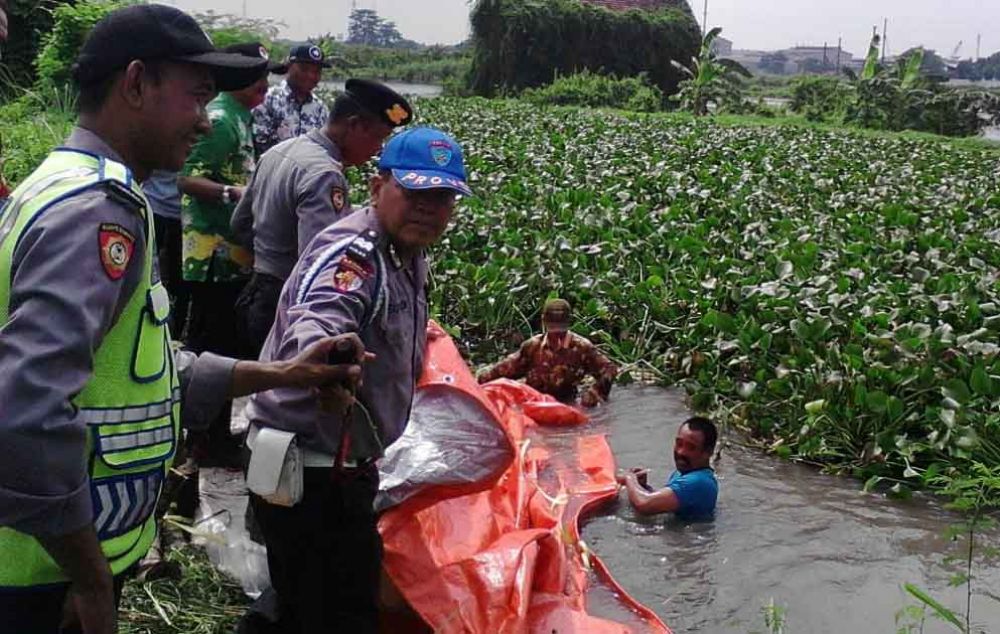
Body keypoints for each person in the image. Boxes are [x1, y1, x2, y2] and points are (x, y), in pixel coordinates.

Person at [0, 6, 363, 633]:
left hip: (49, 559)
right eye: (196, 96)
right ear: (135, 84)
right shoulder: (96, 212)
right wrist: (89, 582)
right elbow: (25, 412)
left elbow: (146, 371)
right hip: (42, 573)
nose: (204, 119)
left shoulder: (70, 184)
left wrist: (285, 372)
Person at [238, 126, 472, 633]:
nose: (429, 209)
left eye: (442, 198)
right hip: (311, 469)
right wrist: (330, 358)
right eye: (414, 193)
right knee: (339, 610)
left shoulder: (405, 255)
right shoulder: (355, 256)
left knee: (299, 600)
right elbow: (319, 320)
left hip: (336, 463)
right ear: (376, 185)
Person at [230, 78, 412, 359]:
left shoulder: (280, 151)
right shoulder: (325, 175)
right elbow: (320, 264)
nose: (378, 149)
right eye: (378, 138)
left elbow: (239, 224)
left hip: (255, 292)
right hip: (287, 303)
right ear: (353, 125)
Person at [477, 298, 618, 407]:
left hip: (567, 403)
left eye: (560, 329)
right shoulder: (532, 346)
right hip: (536, 403)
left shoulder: (582, 347)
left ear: (569, 322)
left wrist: (594, 393)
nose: (557, 335)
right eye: (553, 328)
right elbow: (505, 369)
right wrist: (479, 380)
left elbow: (609, 369)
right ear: (544, 321)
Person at [616, 417, 719, 521]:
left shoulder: (698, 482)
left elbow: (644, 505)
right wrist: (642, 487)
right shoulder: (683, 473)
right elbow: (662, 503)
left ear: (708, 452)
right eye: (679, 444)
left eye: (691, 447)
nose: (680, 452)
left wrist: (629, 478)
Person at [251, 43, 332, 156]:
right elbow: (260, 145)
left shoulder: (321, 109)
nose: (311, 76)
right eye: (304, 69)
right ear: (289, 66)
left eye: (317, 71)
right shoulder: (267, 100)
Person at [142, 170, 190, 334]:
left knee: (180, 281)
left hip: (187, 218)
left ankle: (173, 334)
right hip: (155, 208)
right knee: (150, 275)